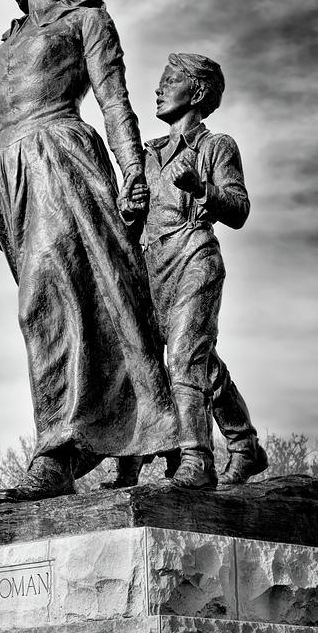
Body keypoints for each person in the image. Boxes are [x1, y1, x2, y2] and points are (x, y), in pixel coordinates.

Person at [0, 0, 177, 503]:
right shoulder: (3, 47)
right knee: (60, 305)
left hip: (63, 158)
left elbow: (114, 101)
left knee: (50, 287)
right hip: (10, 174)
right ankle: (88, 435)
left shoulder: (85, 20)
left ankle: (60, 448)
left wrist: (134, 169)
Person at [112, 53, 268, 489]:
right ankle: (244, 445)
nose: (158, 89)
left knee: (184, 357)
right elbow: (133, 220)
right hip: (152, 268)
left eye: (168, 81)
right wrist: (128, 208)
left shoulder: (216, 146)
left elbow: (238, 209)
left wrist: (201, 187)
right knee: (198, 361)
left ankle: (196, 459)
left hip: (194, 256)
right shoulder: (148, 155)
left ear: (197, 92)